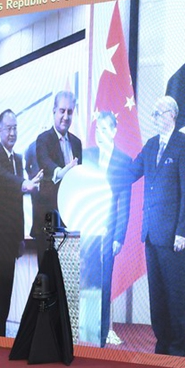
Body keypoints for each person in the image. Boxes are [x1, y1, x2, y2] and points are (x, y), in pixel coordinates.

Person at [126, 95, 185, 356]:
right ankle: (162, 345)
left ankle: (177, 348)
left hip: (172, 236)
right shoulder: (151, 145)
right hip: (150, 234)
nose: (154, 118)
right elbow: (131, 172)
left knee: (173, 294)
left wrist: (182, 231)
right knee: (156, 295)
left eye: (158, 113)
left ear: (171, 115)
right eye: (153, 113)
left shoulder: (184, 145)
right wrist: (107, 164)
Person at [0, 109, 43, 336]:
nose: (12, 132)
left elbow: (17, 205)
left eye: (15, 128)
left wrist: (21, 237)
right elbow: (5, 181)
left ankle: (0, 339)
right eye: (8, 128)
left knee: (6, 297)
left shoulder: (19, 159)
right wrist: (23, 185)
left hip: (11, 241)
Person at [80, 110, 132, 347]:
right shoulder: (87, 156)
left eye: (103, 129)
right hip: (88, 231)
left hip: (109, 233)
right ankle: (85, 335)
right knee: (87, 283)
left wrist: (119, 237)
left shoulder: (123, 161)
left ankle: (100, 339)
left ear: (113, 131)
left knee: (104, 285)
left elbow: (125, 201)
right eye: (96, 130)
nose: (99, 134)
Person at [33, 91, 82, 262]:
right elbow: (46, 164)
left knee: (66, 280)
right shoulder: (43, 140)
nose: (66, 116)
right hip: (48, 222)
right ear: (54, 111)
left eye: (70, 112)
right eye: (62, 111)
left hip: (70, 224)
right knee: (48, 279)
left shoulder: (77, 143)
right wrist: (64, 171)